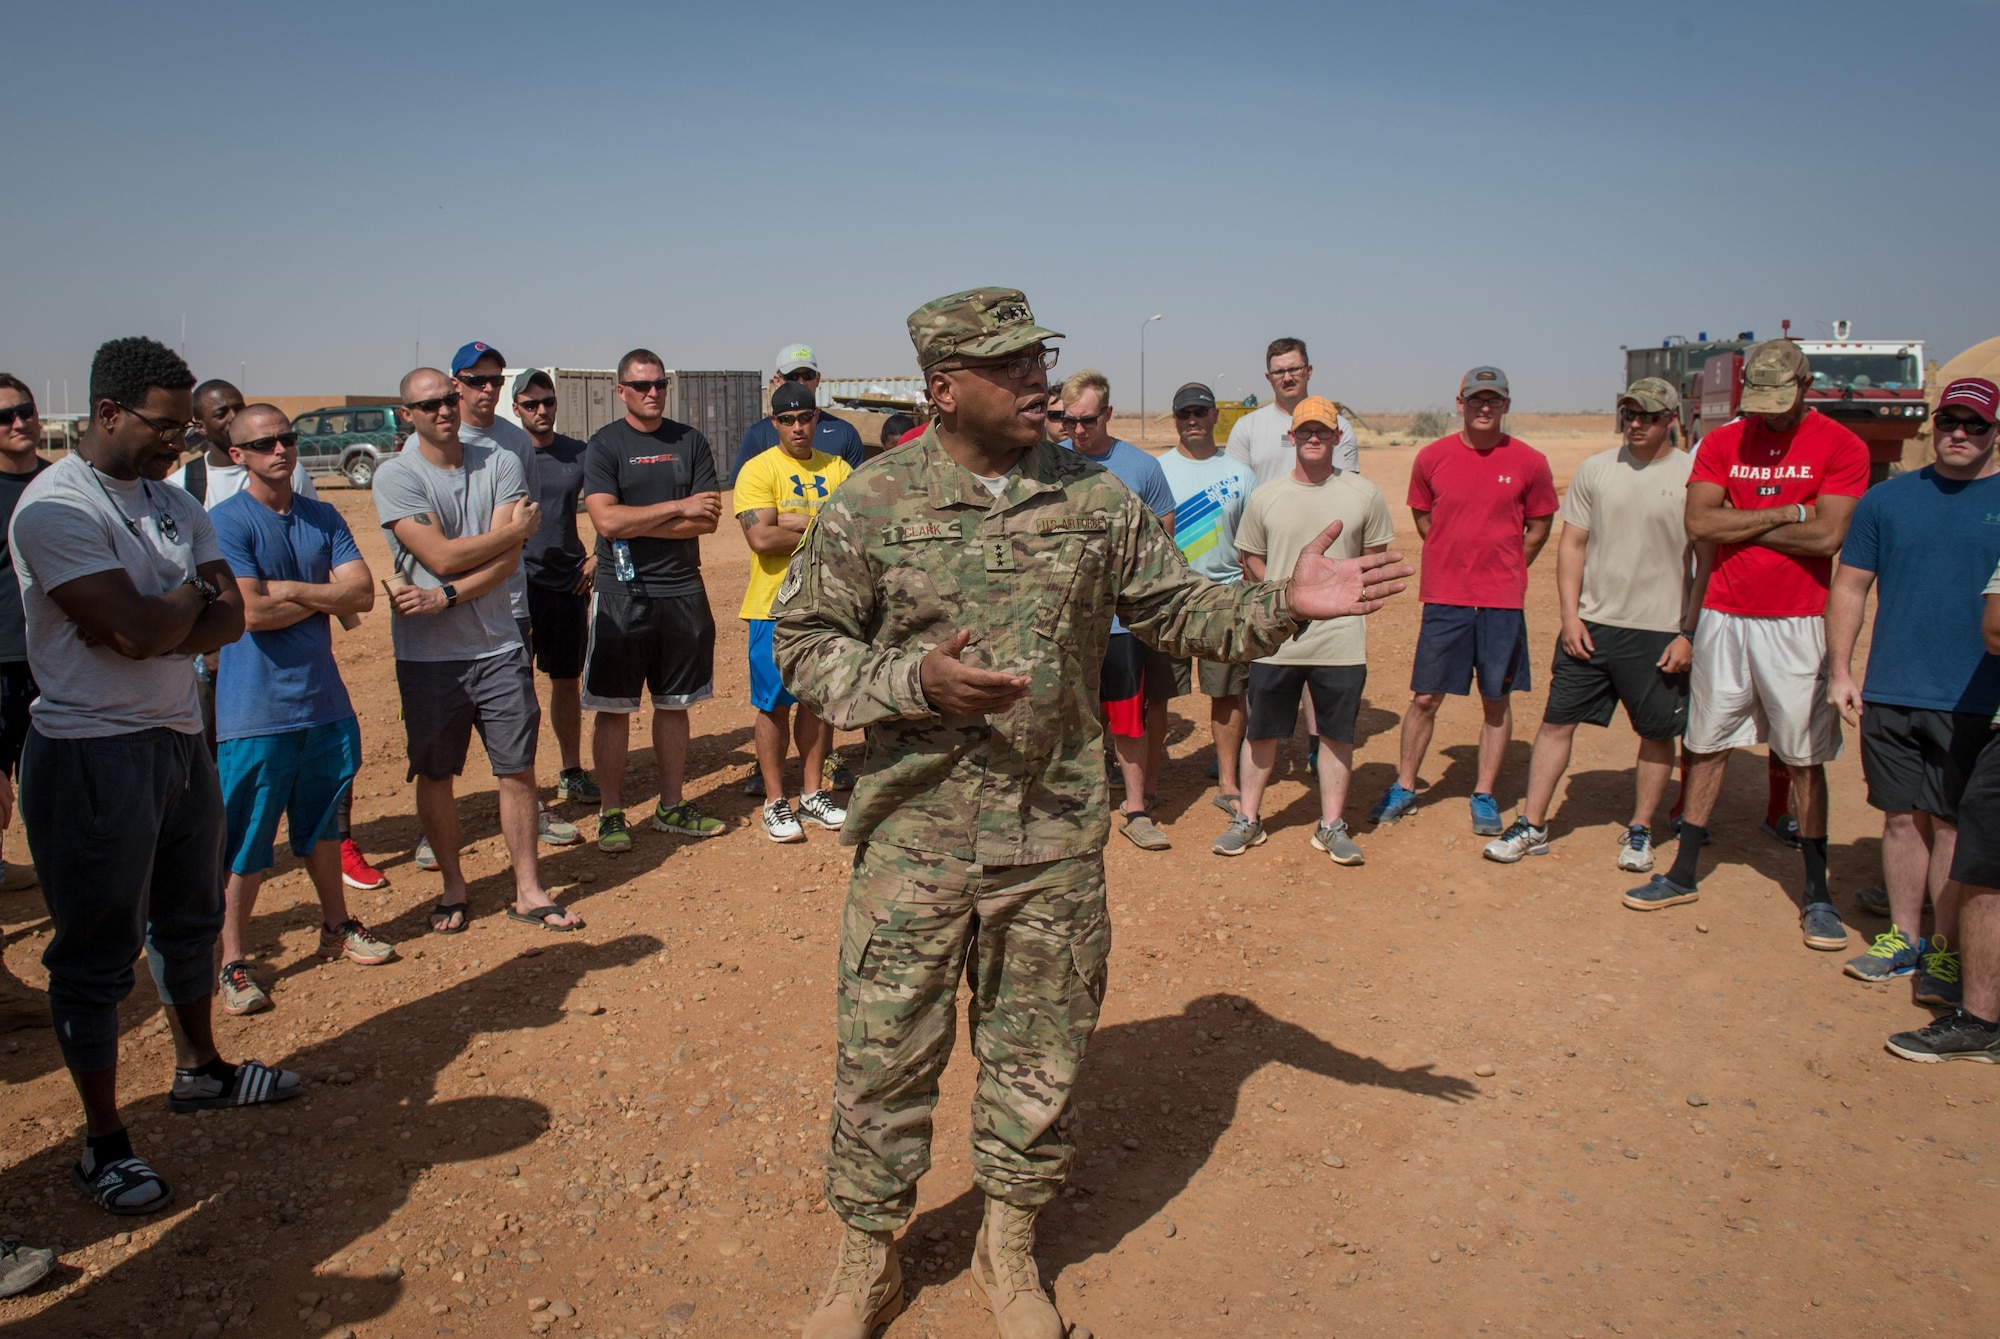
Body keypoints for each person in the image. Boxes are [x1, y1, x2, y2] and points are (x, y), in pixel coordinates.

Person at [776, 288, 1410, 1339]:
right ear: (944, 388)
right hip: (913, 838)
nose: (1039, 381)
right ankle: (865, 1260)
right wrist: (914, 680)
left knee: (1037, 1055)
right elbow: (802, 642)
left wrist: (1281, 605)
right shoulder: (872, 500)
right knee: (883, 1053)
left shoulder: (1095, 498)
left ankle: (1008, 1248)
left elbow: (1177, 608)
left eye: (1041, 359)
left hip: (1051, 836)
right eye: (1010, 365)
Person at [12, 336, 300, 1217]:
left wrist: (173, 613)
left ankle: (201, 1070)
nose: (183, 445)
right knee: (96, 956)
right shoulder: (52, 508)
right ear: (107, 415)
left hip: (178, 739)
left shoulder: (175, 502)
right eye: (167, 427)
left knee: (190, 920)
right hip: (92, 752)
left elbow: (229, 619)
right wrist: (184, 606)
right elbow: (135, 630)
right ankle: (102, 1142)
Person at [1623, 339, 1869, 951]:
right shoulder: (1727, 441)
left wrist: (1748, 520)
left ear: (1805, 387)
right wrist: (1789, 510)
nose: (1770, 416)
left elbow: (1828, 538)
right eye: (1759, 403)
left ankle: (1816, 892)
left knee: (1804, 753)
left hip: (1798, 619)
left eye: (1781, 403)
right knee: (1706, 742)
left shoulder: (1843, 446)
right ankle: (1683, 872)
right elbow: (1701, 523)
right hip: (1724, 615)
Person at [374, 367, 580, 934]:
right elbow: (440, 554)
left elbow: (506, 564)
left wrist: (444, 596)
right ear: (408, 415)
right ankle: (453, 886)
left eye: (448, 398)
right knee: (436, 774)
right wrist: (506, 537)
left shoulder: (503, 461)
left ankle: (529, 888)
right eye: (429, 404)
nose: (443, 410)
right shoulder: (396, 477)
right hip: (427, 657)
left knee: (517, 769)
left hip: (498, 645)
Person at [208, 406, 392, 1016]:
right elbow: (250, 614)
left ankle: (338, 927)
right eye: (262, 444)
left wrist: (286, 589)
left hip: (323, 701)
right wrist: (320, 597)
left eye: (285, 439)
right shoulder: (225, 523)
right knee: (247, 842)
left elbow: (363, 593)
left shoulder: (323, 514)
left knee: (319, 828)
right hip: (254, 710)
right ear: (237, 455)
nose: (280, 451)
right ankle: (232, 960)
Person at [1483, 378, 1699, 871]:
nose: (1636, 424)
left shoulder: (1693, 475)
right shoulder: (1596, 470)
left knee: (1655, 734)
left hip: (1660, 631)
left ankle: (1641, 830)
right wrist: (1569, 617)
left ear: (1671, 418)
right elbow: (1572, 545)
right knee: (1556, 723)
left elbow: (1704, 562)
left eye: (1647, 415)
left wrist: (1687, 633)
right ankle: (1532, 824)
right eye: (1629, 414)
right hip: (1592, 626)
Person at [1827, 378, 2000, 994]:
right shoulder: (1888, 500)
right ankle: (1903, 936)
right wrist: (1841, 671)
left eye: (1975, 424)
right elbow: (1849, 586)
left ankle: (1948, 953)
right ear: (1933, 426)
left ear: (1994, 431)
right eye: (1950, 421)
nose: (1960, 433)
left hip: (1975, 696)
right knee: (1901, 818)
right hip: (1893, 688)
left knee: (1953, 825)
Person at [1372, 367, 1557, 833]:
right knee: (1425, 698)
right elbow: (1422, 514)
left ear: (1506, 405)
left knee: (1496, 699)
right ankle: (1406, 786)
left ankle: (1485, 793)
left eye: (1493, 400)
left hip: (1502, 602)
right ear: (1460, 403)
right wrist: (1455, 556)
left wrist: (1507, 565)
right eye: (1476, 399)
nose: (1484, 407)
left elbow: (1539, 527)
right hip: (1446, 598)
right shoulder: (1432, 457)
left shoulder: (1530, 462)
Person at [1214, 396, 1394, 863]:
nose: (1314, 438)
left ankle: (1331, 825)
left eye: (1324, 431)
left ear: (1338, 438)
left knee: (1336, 734)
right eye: (1306, 431)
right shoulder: (1266, 496)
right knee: (1263, 731)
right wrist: (1278, 599)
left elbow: (1374, 558)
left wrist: (1348, 599)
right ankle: (1249, 820)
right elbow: (1249, 555)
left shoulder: (1364, 494)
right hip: (1276, 640)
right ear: (1290, 437)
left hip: (1341, 640)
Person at [581, 349, 726, 852]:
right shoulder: (604, 447)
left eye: (659, 384)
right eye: (641, 385)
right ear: (620, 390)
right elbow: (606, 522)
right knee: (614, 708)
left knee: (675, 705)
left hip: (683, 591)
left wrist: (641, 518)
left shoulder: (691, 441)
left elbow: (706, 520)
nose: (652, 393)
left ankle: (670, 804)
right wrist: (676, 508)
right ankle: (611, 812)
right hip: (623, 594)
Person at [442, 342, 579, 856]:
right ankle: (436, 828)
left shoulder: (511, 442)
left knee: (516, 713)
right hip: (445, 606)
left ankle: (533, 807)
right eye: (476, 380)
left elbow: (521, 527)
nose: (486, 389)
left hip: (511, 601)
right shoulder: (434, 439)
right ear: (455, 382)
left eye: (494, 380)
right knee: (447, 721)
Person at [1060, 369, 1179, 850]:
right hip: (1064, 623)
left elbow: (1164, 534)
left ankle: (1135, 809)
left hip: (1121, 625)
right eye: (1068, 421)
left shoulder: (1142, 467)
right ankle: (1067, 808)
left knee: (1129, 720)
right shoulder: (1045, 463)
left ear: (1107, 413)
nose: (1078, 431)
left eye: (1087, 420)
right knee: (1065, 719)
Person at [733, 381, 852, 841]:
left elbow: (856, 530)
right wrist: (822, 525)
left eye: (805, 418)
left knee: (817, 700)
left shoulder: (838, 466)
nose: (798, 427)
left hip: (827, 606)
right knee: (773, 706)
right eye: (788, 420)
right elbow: (760, 538)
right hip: (772, 608)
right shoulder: (758, 471)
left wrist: (792, 520)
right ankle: (774, 801)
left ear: (816, 418)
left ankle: (812, 793)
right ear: (774, 423)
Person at [1155, 382, 1256, 813]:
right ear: (1175, 419)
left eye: (1200, 412)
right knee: (1156, 695)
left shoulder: (1240, 474)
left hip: (1223, 599)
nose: (1192, 420)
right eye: (1184, 414)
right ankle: (1151, 779)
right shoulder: (1155, 470)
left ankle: (1229, 782)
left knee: (1228, 693)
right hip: (1168, 599)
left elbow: (1253, 546)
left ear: (1216, 416)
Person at [512, 369, 600, 807]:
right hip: (514, 584)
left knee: (566, 680)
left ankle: (571, 770)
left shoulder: (578, 454)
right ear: (517, 410)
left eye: (547, 402)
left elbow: (612, 500)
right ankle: (524, 785)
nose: (541, 410)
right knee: (515, 686)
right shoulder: (504, 454)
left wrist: (600, 554)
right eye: (531, 404)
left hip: (568, 583)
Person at [0, 375, 48, 899]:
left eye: (26, 410)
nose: (19, 422)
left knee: (50, 786)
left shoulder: (61, 486)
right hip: (1, 662)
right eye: (5, 416)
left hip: (52, 663)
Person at [1225, 338, 1359, 485]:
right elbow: (1236, 488)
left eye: (1294, 369)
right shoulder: (1246, 427)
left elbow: (1347, 488)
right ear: (1268, 377)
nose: (1287, 378)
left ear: (1309, 371)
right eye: (1279, 372)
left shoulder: (1338, 426)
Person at [732, 344, 866, 479]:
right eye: (793, 376)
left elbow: (858, 491)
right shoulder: (759, 434)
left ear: (817, 379)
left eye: (807, 375)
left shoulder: (845, 433)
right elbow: (740, 488)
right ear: (777, 381)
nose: (801, 382)